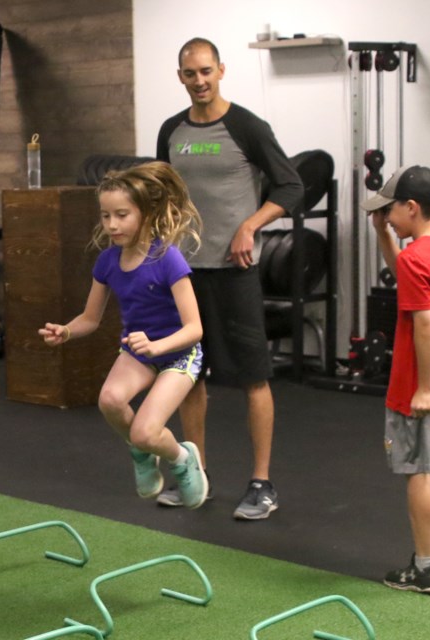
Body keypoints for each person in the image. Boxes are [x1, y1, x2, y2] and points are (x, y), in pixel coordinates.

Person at [156, 37, 304, 519]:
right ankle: (194, 474)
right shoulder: (171, 132)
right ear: (180, 77)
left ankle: (262, 483)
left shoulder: (245, 126)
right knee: (188, 376)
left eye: (205, 71)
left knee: (253, 377)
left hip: (235, 273)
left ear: (220, 70)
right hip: (183, 274)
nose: (199, 81)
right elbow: (164, 193)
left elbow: (291, 184)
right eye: (189, 74)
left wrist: (250, 225)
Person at [38, 162, 209, 509]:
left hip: (179, 353)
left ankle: (181, 458)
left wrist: (157, 345)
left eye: (122, 215)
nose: (112, 225)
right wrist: (67, 331)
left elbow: (195, 329)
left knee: (146, 431)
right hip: (139, 352)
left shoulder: (168, 259)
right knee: (111, 401)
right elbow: (90, 318)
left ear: (145, 213)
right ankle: (142, 454)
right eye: (105, 216)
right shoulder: (107, 262)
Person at [361, 165, 430, 593]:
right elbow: (408, 274)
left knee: (417, 469)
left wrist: (420, 388)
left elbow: (423, 325)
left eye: (391, 212)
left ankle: (425, 569)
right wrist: (383, 236)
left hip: (418, 378)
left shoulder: (419, 258)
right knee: (428, 455)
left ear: (412, 207)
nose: (387, 218)